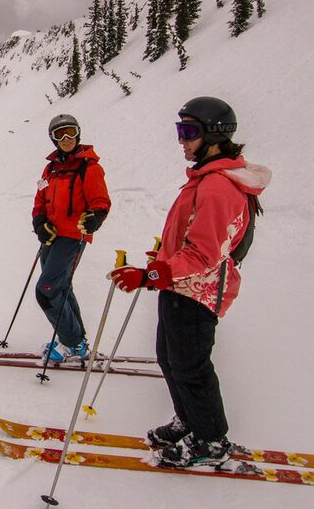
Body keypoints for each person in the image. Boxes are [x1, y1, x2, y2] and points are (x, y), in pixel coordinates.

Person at [109, 96, 271, 468]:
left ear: (214, 135)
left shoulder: (217, 187)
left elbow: (203, 255)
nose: (181, 139)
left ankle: (211, 439)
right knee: (171, 359)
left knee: (191, 366)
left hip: (198, 290)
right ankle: (190, 421)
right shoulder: (206, 179)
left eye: (189, 132)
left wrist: (149, 275)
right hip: (181, 286)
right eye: (180, 130)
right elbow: (192, 237)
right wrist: (163, 258)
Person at [32, 114, 111, 362]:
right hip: (52, 238)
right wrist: (39, 223)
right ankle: (78, 343)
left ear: (78, 134)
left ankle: (72, 342)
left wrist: (95, 218)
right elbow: (40, 200)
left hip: (72, 237)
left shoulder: (89, 167)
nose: (66, 138)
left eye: (70, 132)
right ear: (53, 139)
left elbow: (101, 202)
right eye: (60, 134)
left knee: (46, 291)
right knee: (61, 288)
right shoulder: (51, 167)